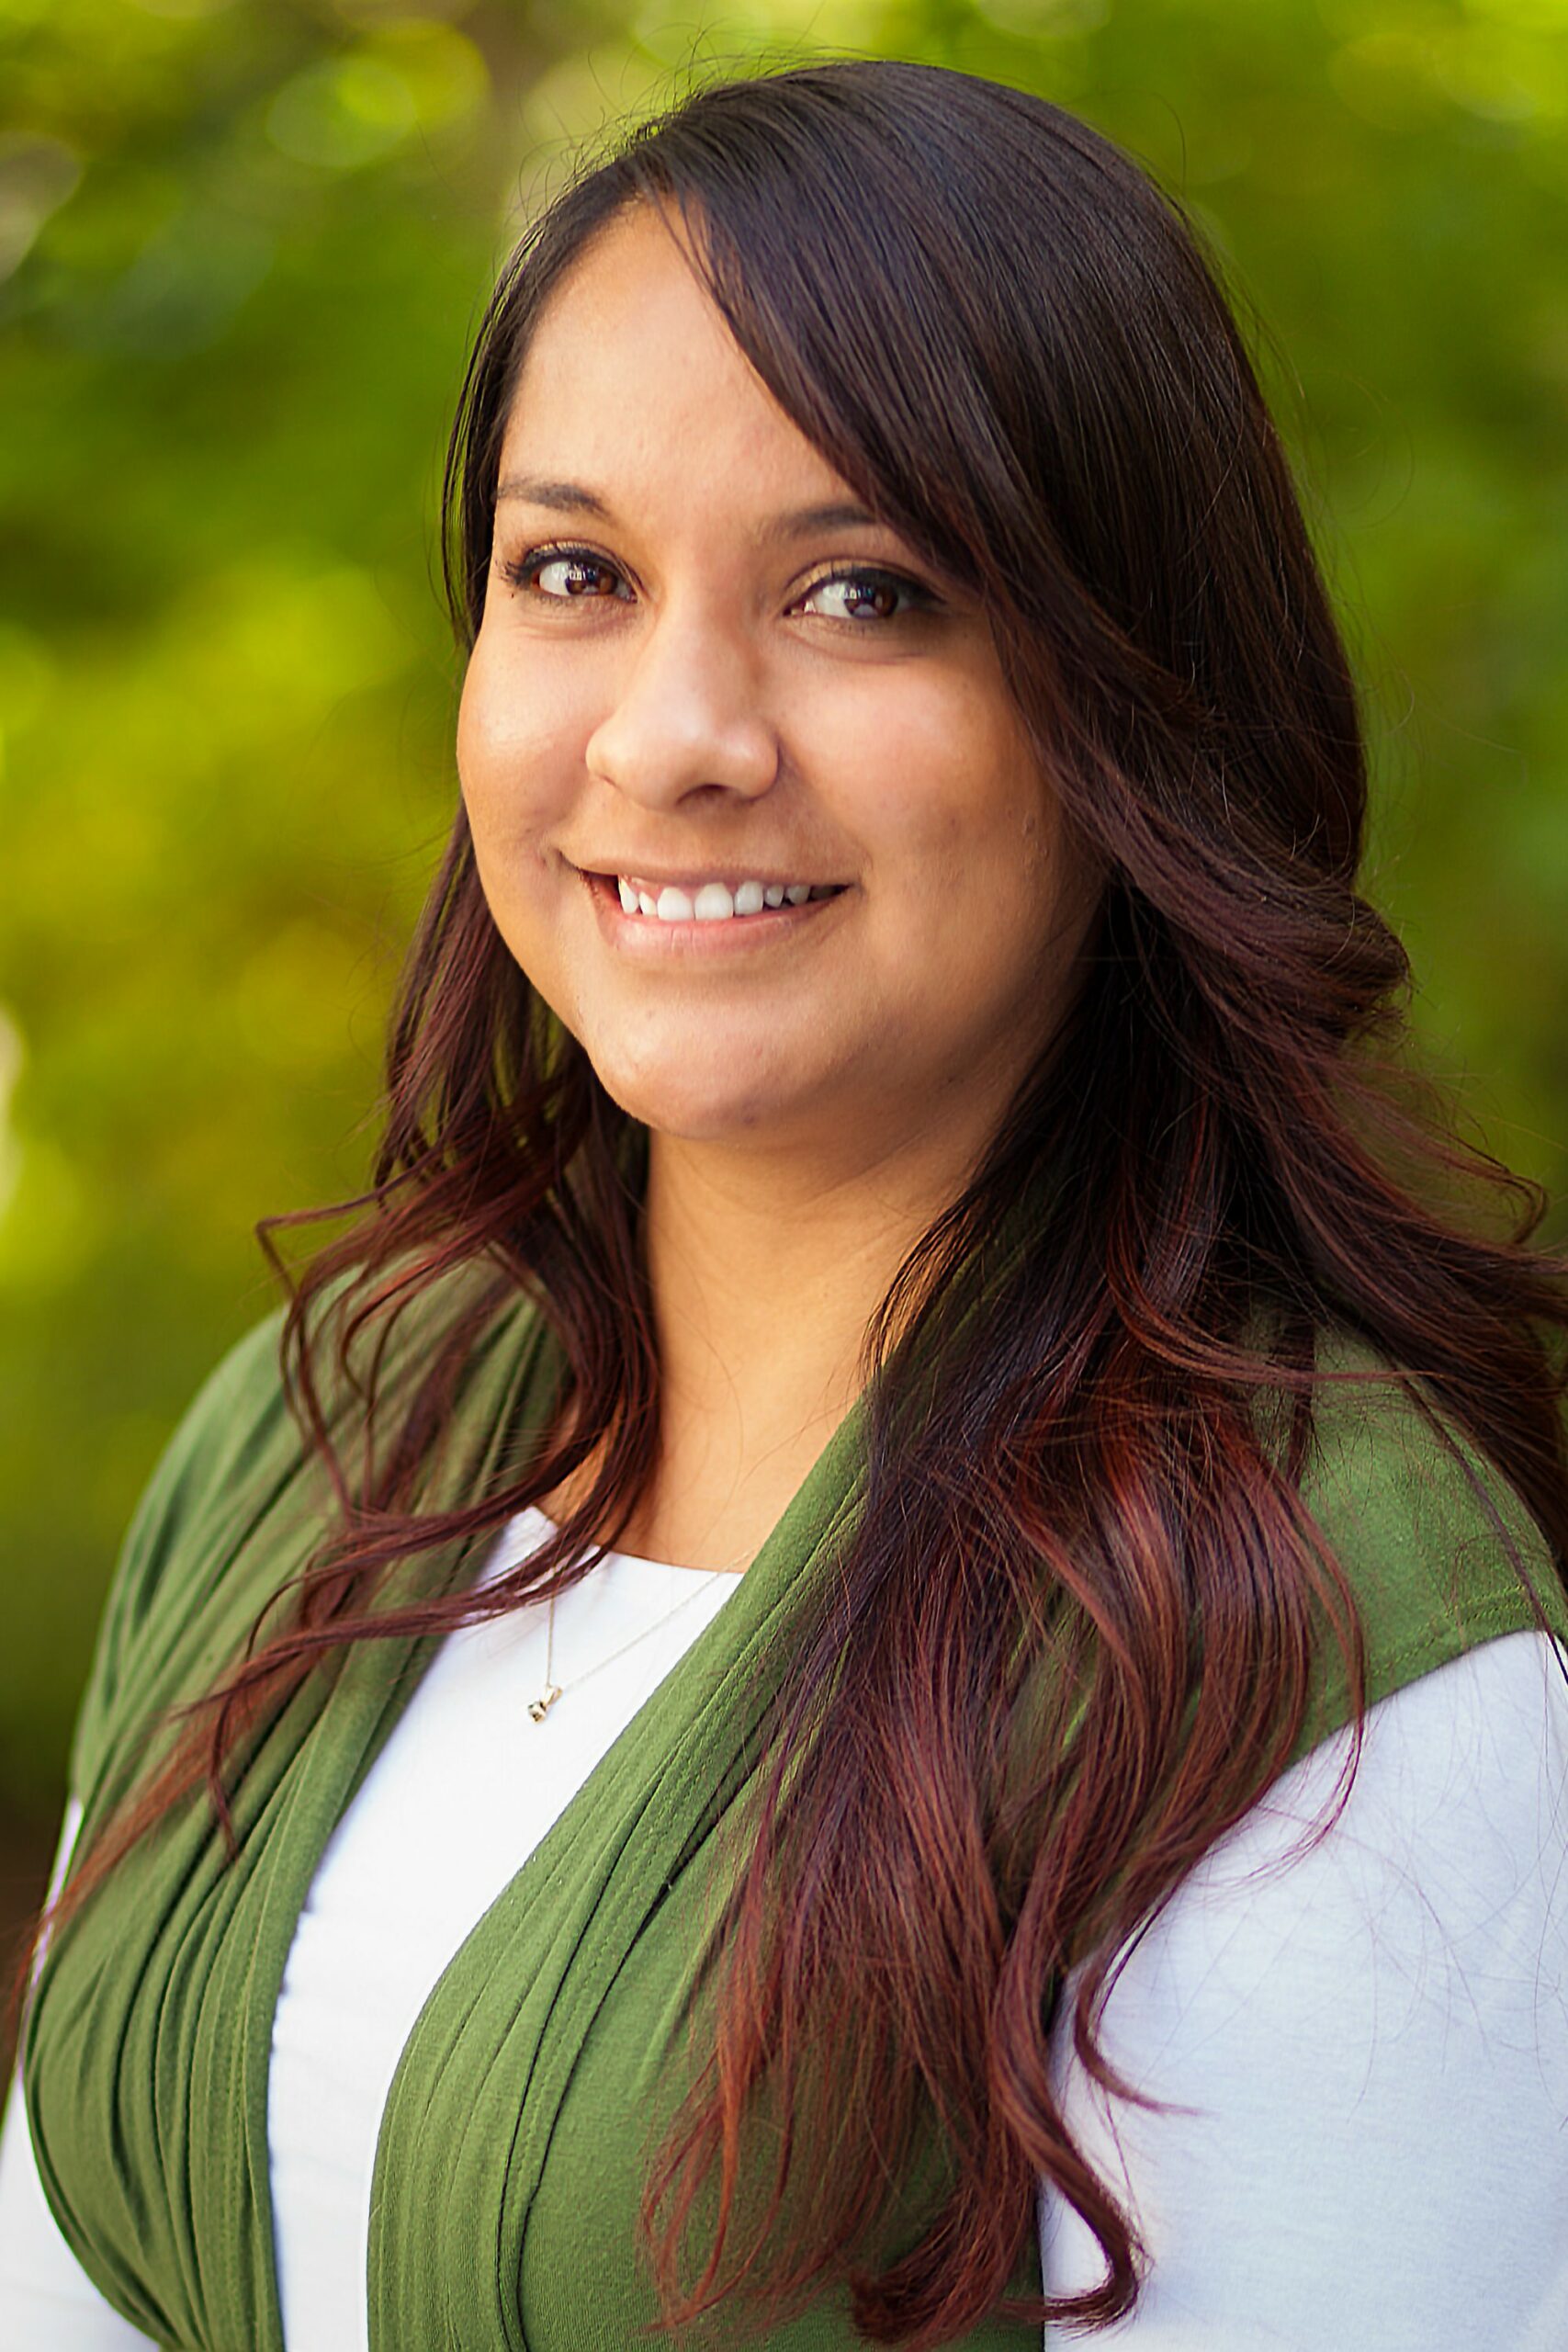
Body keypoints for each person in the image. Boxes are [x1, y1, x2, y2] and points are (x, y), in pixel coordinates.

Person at [2, 54, 1566, 2352]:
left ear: (1128, 698)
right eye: (574, 573)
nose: (670, 732)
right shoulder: (325, 1431)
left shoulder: (1318, 1652)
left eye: (860, 591)